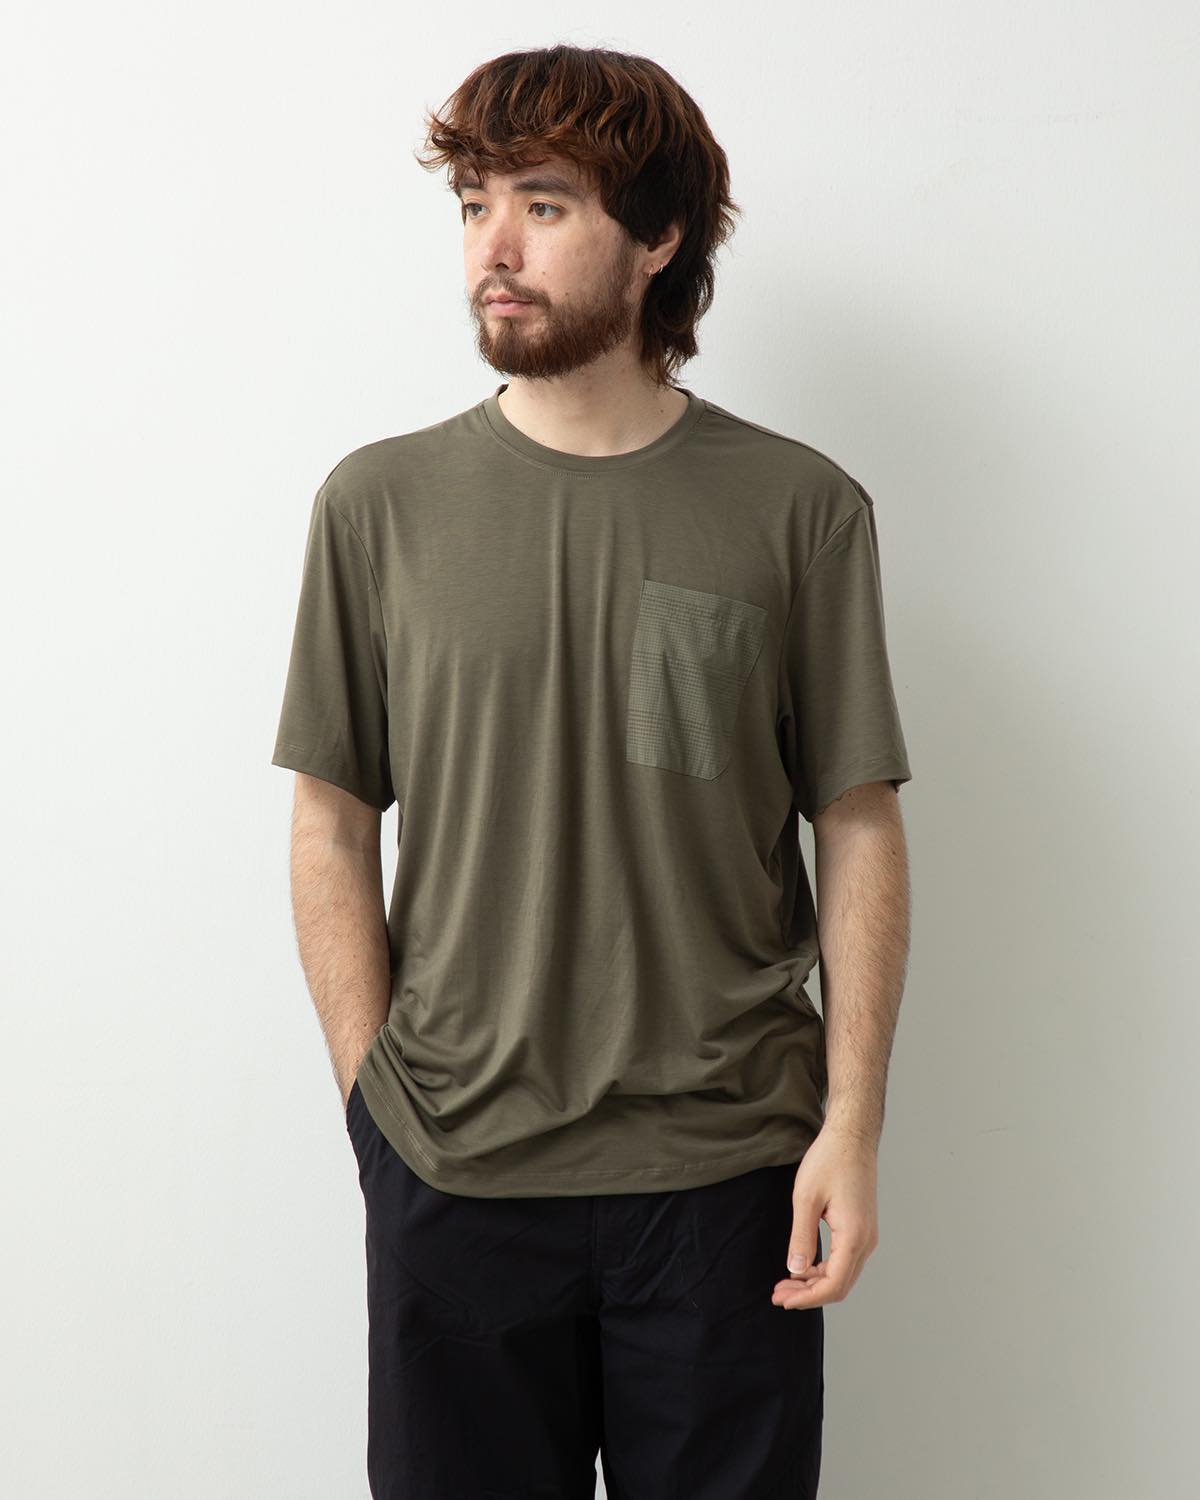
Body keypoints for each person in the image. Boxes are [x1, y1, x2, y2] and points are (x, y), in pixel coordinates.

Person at [270, 42, 913, 1500]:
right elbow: (329, 820)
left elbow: (857, 828)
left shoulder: (800, 510)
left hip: (725, 1179)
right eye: (474, 203)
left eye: (544, 204)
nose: (491, 248)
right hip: (454, 1171)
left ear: (660, 234)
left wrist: (852, 1125)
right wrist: (374, 1105)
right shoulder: (377, 507)